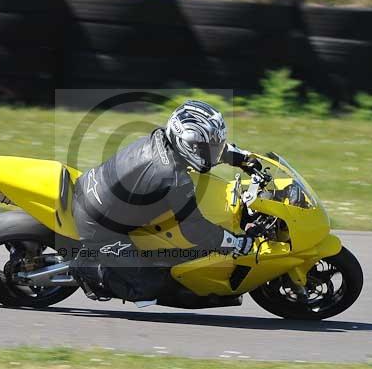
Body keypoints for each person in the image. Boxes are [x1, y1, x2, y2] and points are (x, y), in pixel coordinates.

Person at [72, 100, 263, 304]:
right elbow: (195, 230)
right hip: (98, 225)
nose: (213, 153)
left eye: (214, 147)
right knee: (151, 285)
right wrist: (236, 242)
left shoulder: (162, 138)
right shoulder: (172, 177)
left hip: (96, 189)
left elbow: (205, 148)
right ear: (187, 143)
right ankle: (84, 268)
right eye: (207, 148)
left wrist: (243, 158)